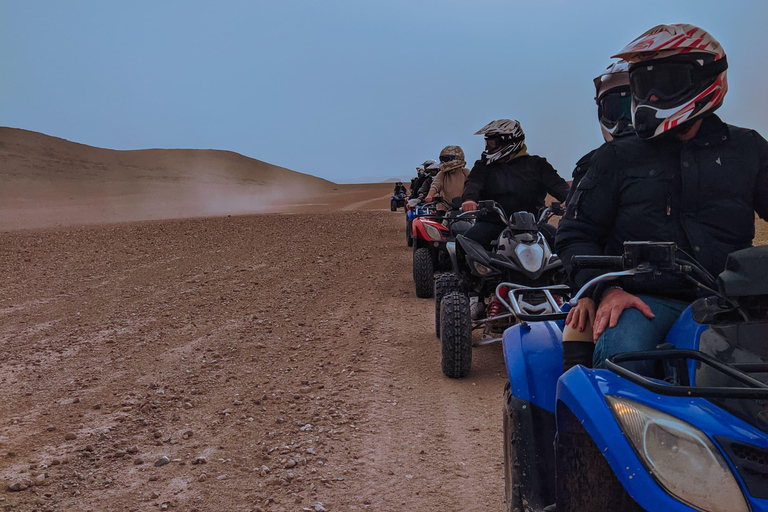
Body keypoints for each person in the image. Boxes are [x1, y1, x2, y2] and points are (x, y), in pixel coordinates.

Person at [556, 24, 768, 376]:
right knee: (624, 356)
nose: (652, 98)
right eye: (644, 84)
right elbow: (574, 235)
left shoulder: (748, 149)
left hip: (735, 305)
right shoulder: (615, 157)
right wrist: (609, 289)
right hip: (644, 301)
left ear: (706, 77)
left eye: (666, 82)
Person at [461, 119, 569, 248]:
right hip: (493, 223)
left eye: (492, 143)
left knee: (564, 244)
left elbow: (557, 184)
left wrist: (569, 198)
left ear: (510, 142)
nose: (489, 148)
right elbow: (473, 183)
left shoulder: (537, 164)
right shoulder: (483, 166)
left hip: (534, 225)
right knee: (466, 243)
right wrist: (469, 199)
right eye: (487, 144)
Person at [425, 146, 470, 211]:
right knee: (439, 213)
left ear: (456, 158)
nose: (443, 162)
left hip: (463, 205)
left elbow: (472, 185)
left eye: (446, 159)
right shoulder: (442, 173)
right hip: (445, 205)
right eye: (442, 159)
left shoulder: (465, 172)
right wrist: (429, 196)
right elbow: (435, 185)